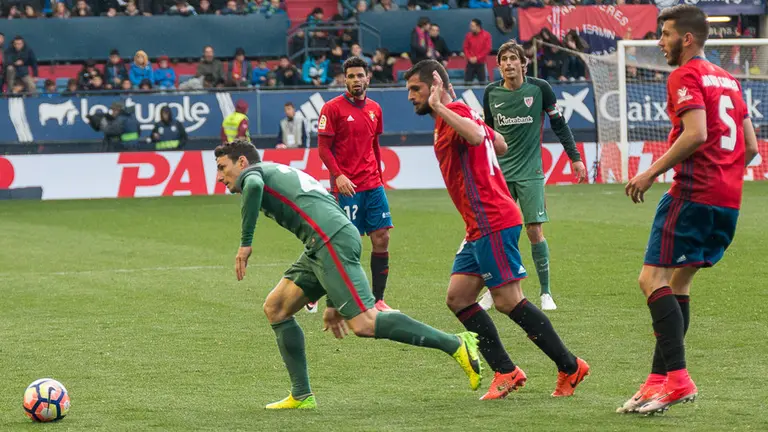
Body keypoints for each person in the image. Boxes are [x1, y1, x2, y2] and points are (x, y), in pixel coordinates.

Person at [214, 138, 483, 409]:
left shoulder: (254, 175)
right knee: (276, 308)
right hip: (321, 244)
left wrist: (245, 243)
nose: (219, 176)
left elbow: (255, 186)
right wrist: (333, 300)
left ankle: (456, 343)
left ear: (242, 162)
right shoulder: (273, 170)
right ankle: (301, 395)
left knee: (365, 323)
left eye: (222, 167)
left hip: (330, 241)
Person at [404, 59, 589, 400]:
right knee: (458, 298)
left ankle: (569, 365)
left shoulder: (453, 112)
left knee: (507, 301)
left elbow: (476, 136)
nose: (411, 96)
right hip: (477, 225)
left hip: (492, 218)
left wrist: (440, 107)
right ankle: (506, 370)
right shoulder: (462, 113)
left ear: (436, 83)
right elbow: (499, 143)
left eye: (416, 89)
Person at [618, 5, 759, 415]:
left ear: (687, 38)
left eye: (664, 35)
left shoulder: (687, 74)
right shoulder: (729, 78)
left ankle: (678, 380)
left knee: (650, 279)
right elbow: (750, 147)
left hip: (693, 195)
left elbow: (696, 133)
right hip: (728, 201)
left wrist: (649, 173)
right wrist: (723, 175)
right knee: (678, 284)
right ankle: (657, 381)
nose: (659, 43)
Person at [478, 41, 588, 312]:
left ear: (523, 64)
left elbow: (559, 125)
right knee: (497, 232)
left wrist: (575, 159)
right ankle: (495, 289)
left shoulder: (540, 89)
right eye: (503, 59)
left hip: (530, 173)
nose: (508, 63)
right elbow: (488, 136)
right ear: (499, 65)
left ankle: (545, 292)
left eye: (513, 58)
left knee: (534, 230)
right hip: (500, 174)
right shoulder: (491, 92)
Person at [317, 56, 396, 312]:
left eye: (359, 75)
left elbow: (375, 145)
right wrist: (338, 175)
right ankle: (314, 289)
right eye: (350, 76)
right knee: (346, 245)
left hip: (373, 185)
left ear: (368, 78)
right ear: (345, 79)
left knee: (382, 238)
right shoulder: (332, 108)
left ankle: (377, 299)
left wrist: (380, 180)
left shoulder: (375, 108)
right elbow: (323, 149)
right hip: (346, 187)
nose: (355, 80)